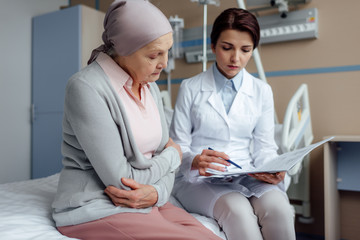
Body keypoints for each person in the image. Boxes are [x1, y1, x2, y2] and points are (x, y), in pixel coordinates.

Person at [52, 1, 222, 240]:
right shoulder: (86, 88)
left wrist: (157, 194)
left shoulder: (149, 87)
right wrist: (173, 156)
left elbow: (162, 149)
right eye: (154, 55)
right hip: (95, 207)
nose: (163, 63)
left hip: (147, 202)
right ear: (124, 49)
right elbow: (124, 182)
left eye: (167, 52)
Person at [170, 8, 296, 240]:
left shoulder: (261, 91)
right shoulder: (190, 87)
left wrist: (273, 169)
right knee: (238, 211)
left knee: (279, 209)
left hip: (246, 173)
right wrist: (194, 161)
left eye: (245, 50)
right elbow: (177, 145)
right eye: (227, 48)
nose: (235, 58)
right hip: (199, 179)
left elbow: (264, 147)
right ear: (213, 47)